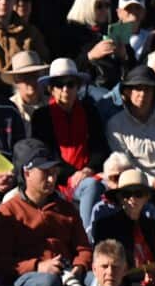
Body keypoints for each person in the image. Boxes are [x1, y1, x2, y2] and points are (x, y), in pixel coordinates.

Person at [0, 139, 92, 286]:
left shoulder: (67, 209)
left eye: (54, 172)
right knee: (46, 283)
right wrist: (37, 266)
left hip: (68, 273)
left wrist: (79, 267)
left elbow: (84, 248)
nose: (52, 179)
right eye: (46, 173)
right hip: (22, 284)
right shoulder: (8, 211)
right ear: (26, 173)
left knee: (100, 282)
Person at [30, 58, 109, 227]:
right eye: (59, 84)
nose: (65, 89)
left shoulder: (90, 111)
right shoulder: (41, 117)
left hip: (89, 173)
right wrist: (72, 174)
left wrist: (87, 170)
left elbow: (100, 147)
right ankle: (86, 238)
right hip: (58, 179)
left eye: (70, 84)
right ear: (51, 89)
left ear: (78, 86)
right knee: (91, 186)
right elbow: (45, 153)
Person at [105, 65, 155, 201]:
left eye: (147, 89)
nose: (142, 94)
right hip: (134, 189)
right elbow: (125, 164)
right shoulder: (116, 125)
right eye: (137, 88)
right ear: (127, 92)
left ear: (154, 93)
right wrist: (153, 182)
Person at [92, 169, 155, 286]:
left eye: (138, 194)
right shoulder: (105, 226)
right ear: (120, 198)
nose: (132, 199)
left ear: (147, 197)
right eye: (126, 194)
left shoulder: (154, 227)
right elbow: (105, 265)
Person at [3, 50, 49, 125]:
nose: (31, 80)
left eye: (35, 75)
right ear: (16, 81)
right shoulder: (8, 108)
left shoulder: (53, 105)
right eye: (25, 77)